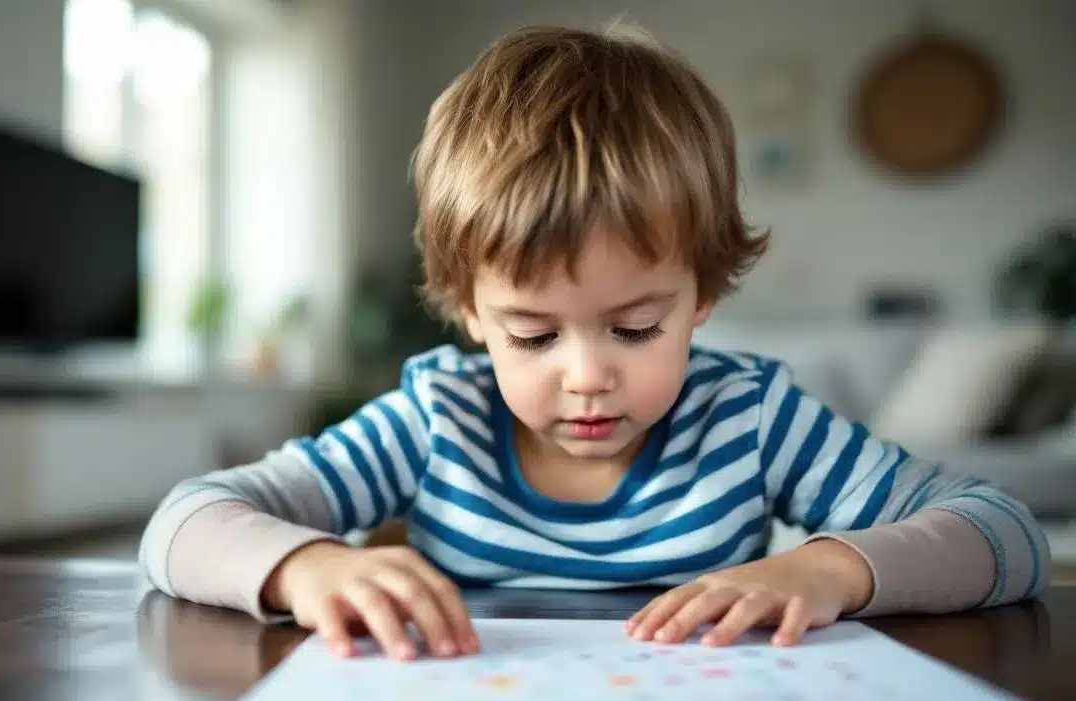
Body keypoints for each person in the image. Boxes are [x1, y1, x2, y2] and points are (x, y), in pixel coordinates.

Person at [139, 24, 1050, 662]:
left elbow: (1003, 529)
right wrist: (306, 563)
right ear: (469, 310)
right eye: (531, 334)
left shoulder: (749, 418)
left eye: (637, 327)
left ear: (702, 297)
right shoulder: (435, 419)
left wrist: (828, 567)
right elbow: (181, 524)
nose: (586, 376)